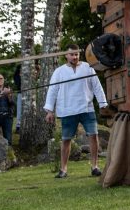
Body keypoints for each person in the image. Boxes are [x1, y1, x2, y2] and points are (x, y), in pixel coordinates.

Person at [44, 44, 108, 178]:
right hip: (67, 109)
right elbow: (52, 91)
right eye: (72, 54)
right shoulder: (59, 72)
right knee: (66, 139)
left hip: (86, 108)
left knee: (93, 136)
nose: (74, 57)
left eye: (76, 54)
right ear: (66, 55)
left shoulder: (88, 67)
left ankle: (95, 167)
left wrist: (102, 103)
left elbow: (97, 86)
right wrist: (49, 110)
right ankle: (63, 169)